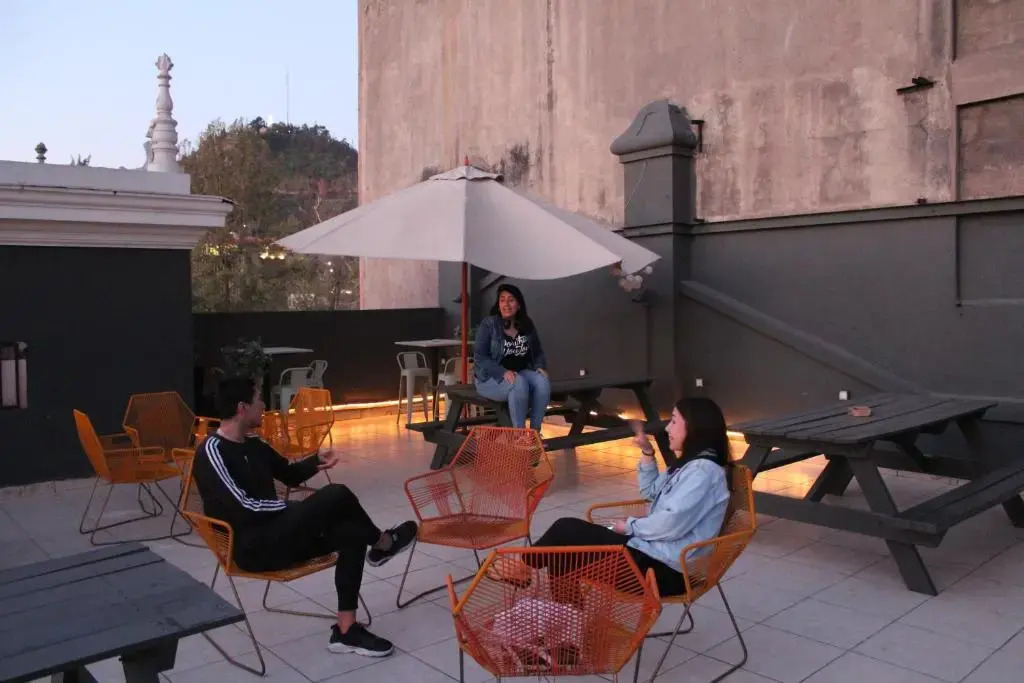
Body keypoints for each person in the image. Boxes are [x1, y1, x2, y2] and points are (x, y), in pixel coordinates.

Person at [191, 375, 418, 657]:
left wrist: (316, 461)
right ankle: (383, 543)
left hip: (280, 536)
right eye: (258, 399)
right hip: (253, 548)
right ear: (242, 407)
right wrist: (294, 509)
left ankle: (346, 630)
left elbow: (288, 473)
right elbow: (243, 507)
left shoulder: (253, 444)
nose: (263, 406)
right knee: (336, 494)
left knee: (352, 532)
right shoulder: (212, 451)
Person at [526, 396, 732, 596]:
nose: (668, 428)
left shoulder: (702, 473)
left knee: (566, 529)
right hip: (652, 553)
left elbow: (671, 524)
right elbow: (650, 491)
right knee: (566, 550)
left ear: (695, 429)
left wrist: (630, 526)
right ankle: (566, 609)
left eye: (674, 421)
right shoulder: (690, 465)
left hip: (667, 571)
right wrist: (647, 452)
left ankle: (523, 568)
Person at [473, 283, 551, 431]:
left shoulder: (526, 324)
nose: (506, 304)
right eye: (502, 300)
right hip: (490, 378)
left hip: (520, 372)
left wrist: (540, 366)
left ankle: (534, 434)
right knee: (518, 382)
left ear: (519, 304)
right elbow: (480, 357)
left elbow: (537, 350)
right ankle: (519, 435)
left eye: (511, 300)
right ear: (498, 304)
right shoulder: (489, 324)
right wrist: (502, 372)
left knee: (542, 382)